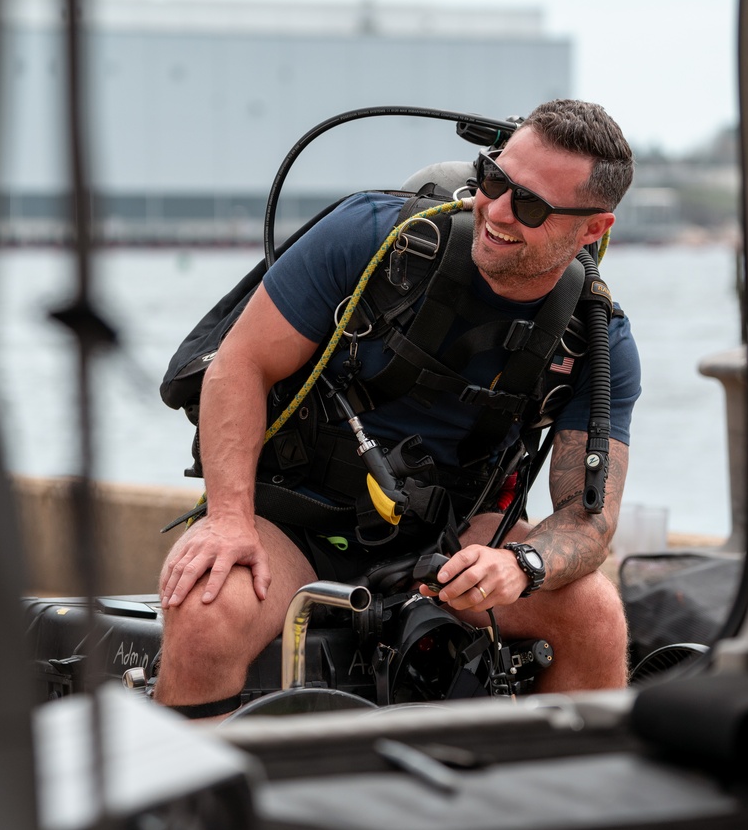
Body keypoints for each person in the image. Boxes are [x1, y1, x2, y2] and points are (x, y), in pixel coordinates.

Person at [155, 98, 640, 715]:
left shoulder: (597, 340)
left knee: (595, 614)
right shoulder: (372, 237)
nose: (496, 210)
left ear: (593, 229)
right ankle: (201, 805)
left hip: (446, 542)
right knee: (204, 610)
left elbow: (589, 519)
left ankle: (565, 800)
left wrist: (523, 564)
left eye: (532, 204)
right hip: (294, 519)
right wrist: (228, 518)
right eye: (493, 179)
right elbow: (240, 364)